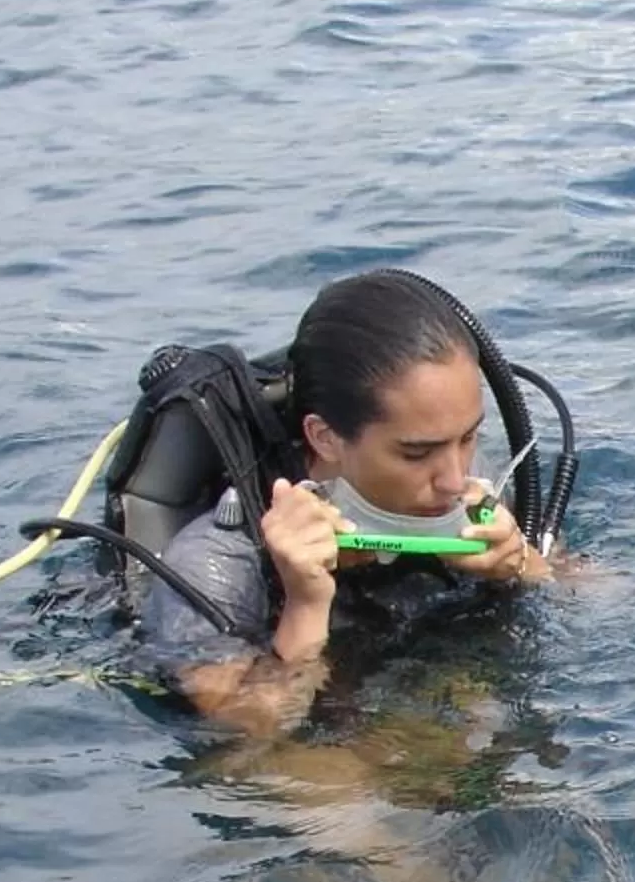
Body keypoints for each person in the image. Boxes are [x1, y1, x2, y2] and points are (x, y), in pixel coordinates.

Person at [140, 269, 558, 735]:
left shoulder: (468, 495)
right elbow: (245, 730)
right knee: (342, 800)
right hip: (316, 744)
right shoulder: (217, 563)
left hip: (428, 691)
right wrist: (304, 603)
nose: (454, 479)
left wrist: (522, 563)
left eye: (467, 438)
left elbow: (607, 596)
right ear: (325, 437)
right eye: (416, 453)